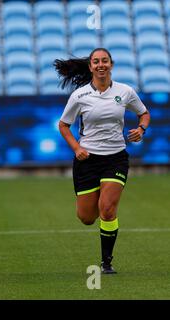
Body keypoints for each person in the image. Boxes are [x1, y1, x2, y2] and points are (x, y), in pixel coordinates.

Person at [54, 48, 150, 274]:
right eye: (96, 62)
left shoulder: (125, 91)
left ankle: (106, 262)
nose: (100, 65)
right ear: (90, 67)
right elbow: (63, 125)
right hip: (87, 160)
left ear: (111, 64)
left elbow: (143, 113)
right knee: (87, 217)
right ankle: (97, 209)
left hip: (115, 158)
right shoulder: (79, 96)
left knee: (107, 209)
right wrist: (76, 147)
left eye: (104, 61)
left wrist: (141, 129)